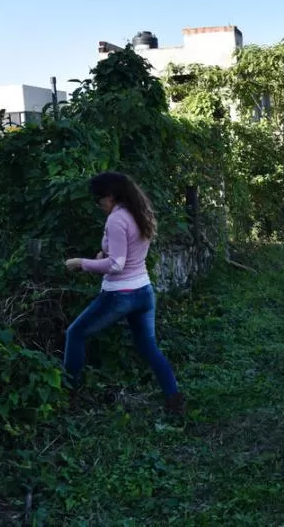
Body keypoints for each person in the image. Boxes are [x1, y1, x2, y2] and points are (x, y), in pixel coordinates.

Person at [63, 171, 185, 414]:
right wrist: (103, 256)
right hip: (143, 292)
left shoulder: (117, 219)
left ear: (110, 196)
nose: (98, 205)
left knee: (75, 333)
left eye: (99, 200)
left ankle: (66, 398)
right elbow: (129, 253)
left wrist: (81, 262)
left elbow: (117, 264)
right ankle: (174, 399)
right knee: (149, 348)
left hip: (120, 295)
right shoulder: (139, 213)